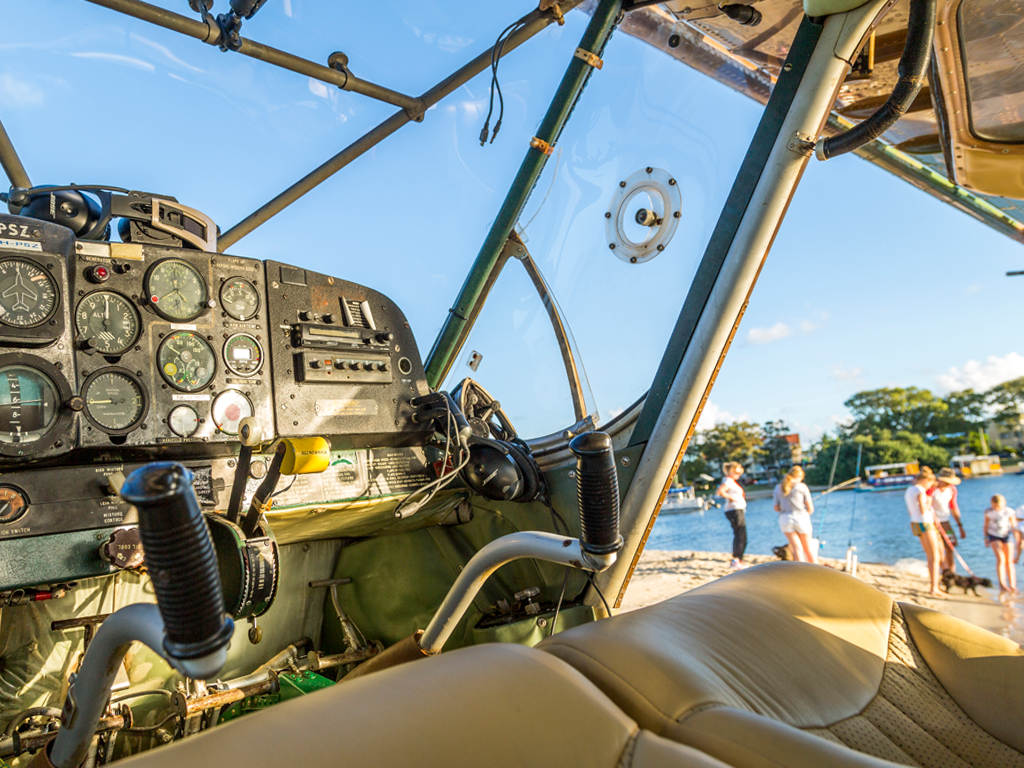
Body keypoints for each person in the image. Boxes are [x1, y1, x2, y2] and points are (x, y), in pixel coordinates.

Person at [904, 466, 942, 597]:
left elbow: (911, 511)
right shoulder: (920, 490)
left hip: (915, 523)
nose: (929, 488)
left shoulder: (909, 489)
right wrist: (929, 501)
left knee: (929, 556)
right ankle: (934, 587)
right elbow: (923, 510)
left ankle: (934, 586)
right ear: (926, 480)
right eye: (930, 484)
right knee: (935, 556)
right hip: (925, 523)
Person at [773, 466, 817, 564]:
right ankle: (817, 573)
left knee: (797, 549)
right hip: (801, 517)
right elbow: (810, 508)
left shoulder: (778, 487)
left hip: (785, 519)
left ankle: (800, 574)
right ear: (799, 476)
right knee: (808, 548)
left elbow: (776, 508)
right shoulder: (802, 487)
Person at [930, 467, 966, 572]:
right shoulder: (932, 488)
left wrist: (960, 525)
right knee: (939, 549)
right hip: (932, 522)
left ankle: (952, 572)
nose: (948, 484)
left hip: (945, 521)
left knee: (951, 546)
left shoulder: (952, 489)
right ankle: (945, 572)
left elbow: (953, 507)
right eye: (946, 482)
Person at [984, 494, 1019, 594]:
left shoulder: (1009, 512)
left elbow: (1014, 526)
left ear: (1004, 503)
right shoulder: (988, 512)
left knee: (1009, 561)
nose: (996, 508)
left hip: (1007, 536)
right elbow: (985, 526)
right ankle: (1002, 584)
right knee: (1001, 559)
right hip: (994, 535)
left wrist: (1018, 540)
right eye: (994, 506)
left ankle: (1013, 585)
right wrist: (986, 538)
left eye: (998, 506)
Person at [716, 462, 747, 570]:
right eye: (737, 472)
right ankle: (736, 560)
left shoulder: (731, 481)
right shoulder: (728, 481)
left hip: (737, 509)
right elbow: (720, 491)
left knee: (740, 535)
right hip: (734, 509)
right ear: (731, 471)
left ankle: (737, 560)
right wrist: (731, 498)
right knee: (740, 535)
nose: (739, 475)